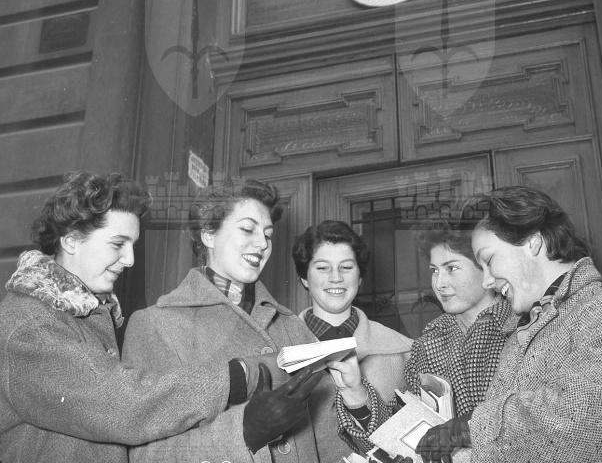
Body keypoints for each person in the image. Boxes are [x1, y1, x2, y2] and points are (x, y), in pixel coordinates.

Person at [0, 171, 280, 463]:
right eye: (117, 244)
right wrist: (234, 378)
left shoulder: (81, 314)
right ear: (71, 241)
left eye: (132, 245)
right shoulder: (30, 324)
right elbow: (119, 404)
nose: (130, 259)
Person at [417, 185, 602, 463]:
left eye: (489, 260)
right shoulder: (520, 334)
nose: (486, 281)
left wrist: (470, 427)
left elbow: (588, 416)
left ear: (534, 242)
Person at [123, 179, 326, 463]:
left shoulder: (291, 326)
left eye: (268, 234)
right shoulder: (155, 325)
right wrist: (243, 433)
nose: (262, 244)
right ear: (208, 234)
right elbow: (145, 456)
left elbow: (327, 437)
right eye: (247, 229)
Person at [330, 218, 514, 456]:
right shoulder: (428, 344)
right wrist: (356, 393)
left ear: (486, 267)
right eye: (434, 270)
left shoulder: (524, 327)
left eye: (452, 268)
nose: (439, 283)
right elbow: (402, 435)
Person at [292, 220, 413, 461]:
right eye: (323, 268)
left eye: (346, 267)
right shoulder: (276, 346)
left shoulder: (405, 351)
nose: (336, 278)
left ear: (359, 277)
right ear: (304, 277)